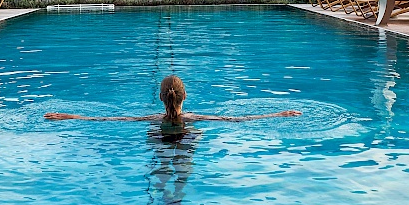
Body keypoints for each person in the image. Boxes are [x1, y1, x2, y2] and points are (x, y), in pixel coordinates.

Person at [44, 74, 302, 123]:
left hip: (158, 138)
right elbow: (235, 119)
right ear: (184, 96)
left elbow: (112, 118)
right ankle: (178, 193)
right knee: (184, 163)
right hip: (187, 136)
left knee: (160, 162)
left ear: (160, 97)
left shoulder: (152, 119)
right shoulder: (193, 118)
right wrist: (277, 114)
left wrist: (71, 115)